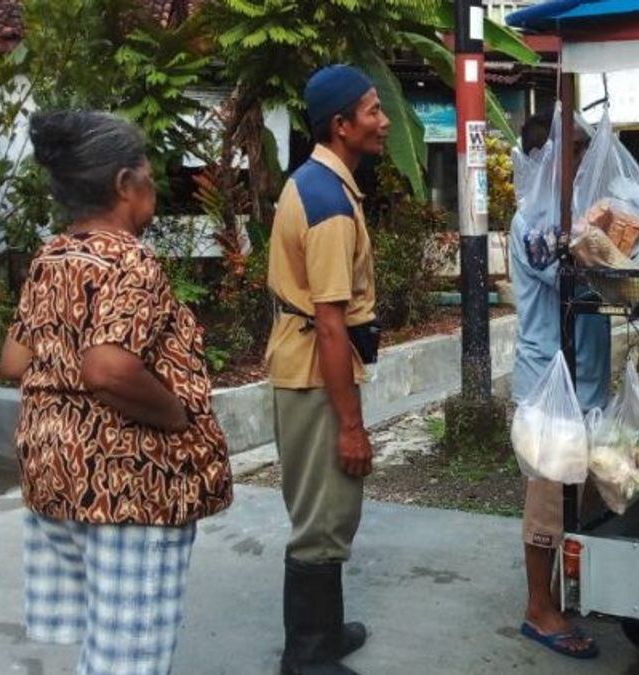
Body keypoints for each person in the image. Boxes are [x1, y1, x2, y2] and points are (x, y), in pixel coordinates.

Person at [0, 110, 233, 675]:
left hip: (56, 472)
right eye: (148, 174)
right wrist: (176, 416)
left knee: (102, 649)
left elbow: (13, 360)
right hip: (129, 484)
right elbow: (108, 367)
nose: (153, 184)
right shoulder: (131, 261)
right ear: (125, 185)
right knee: (128, 662)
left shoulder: (52, 257)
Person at [264, 64, 388, 675]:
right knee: (321, 517)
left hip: (306, 363)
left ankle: (327, 633)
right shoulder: (328, 204)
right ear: (341, 125)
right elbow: (332, 324)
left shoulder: (318, 183)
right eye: (372, 111)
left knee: (329, 507)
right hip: (316, 372)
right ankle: (307, 657)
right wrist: (350, 425)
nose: (384, 121)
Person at [509, 109, 609, 659]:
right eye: (575, 149)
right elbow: (577, 274)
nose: (584, 160)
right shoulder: (534, 221)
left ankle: (568, 591)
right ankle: (537, 608)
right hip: (549, 384)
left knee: (582, 495)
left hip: (585, 377)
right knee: (548, 499)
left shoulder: (579, 216)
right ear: (548, 158)